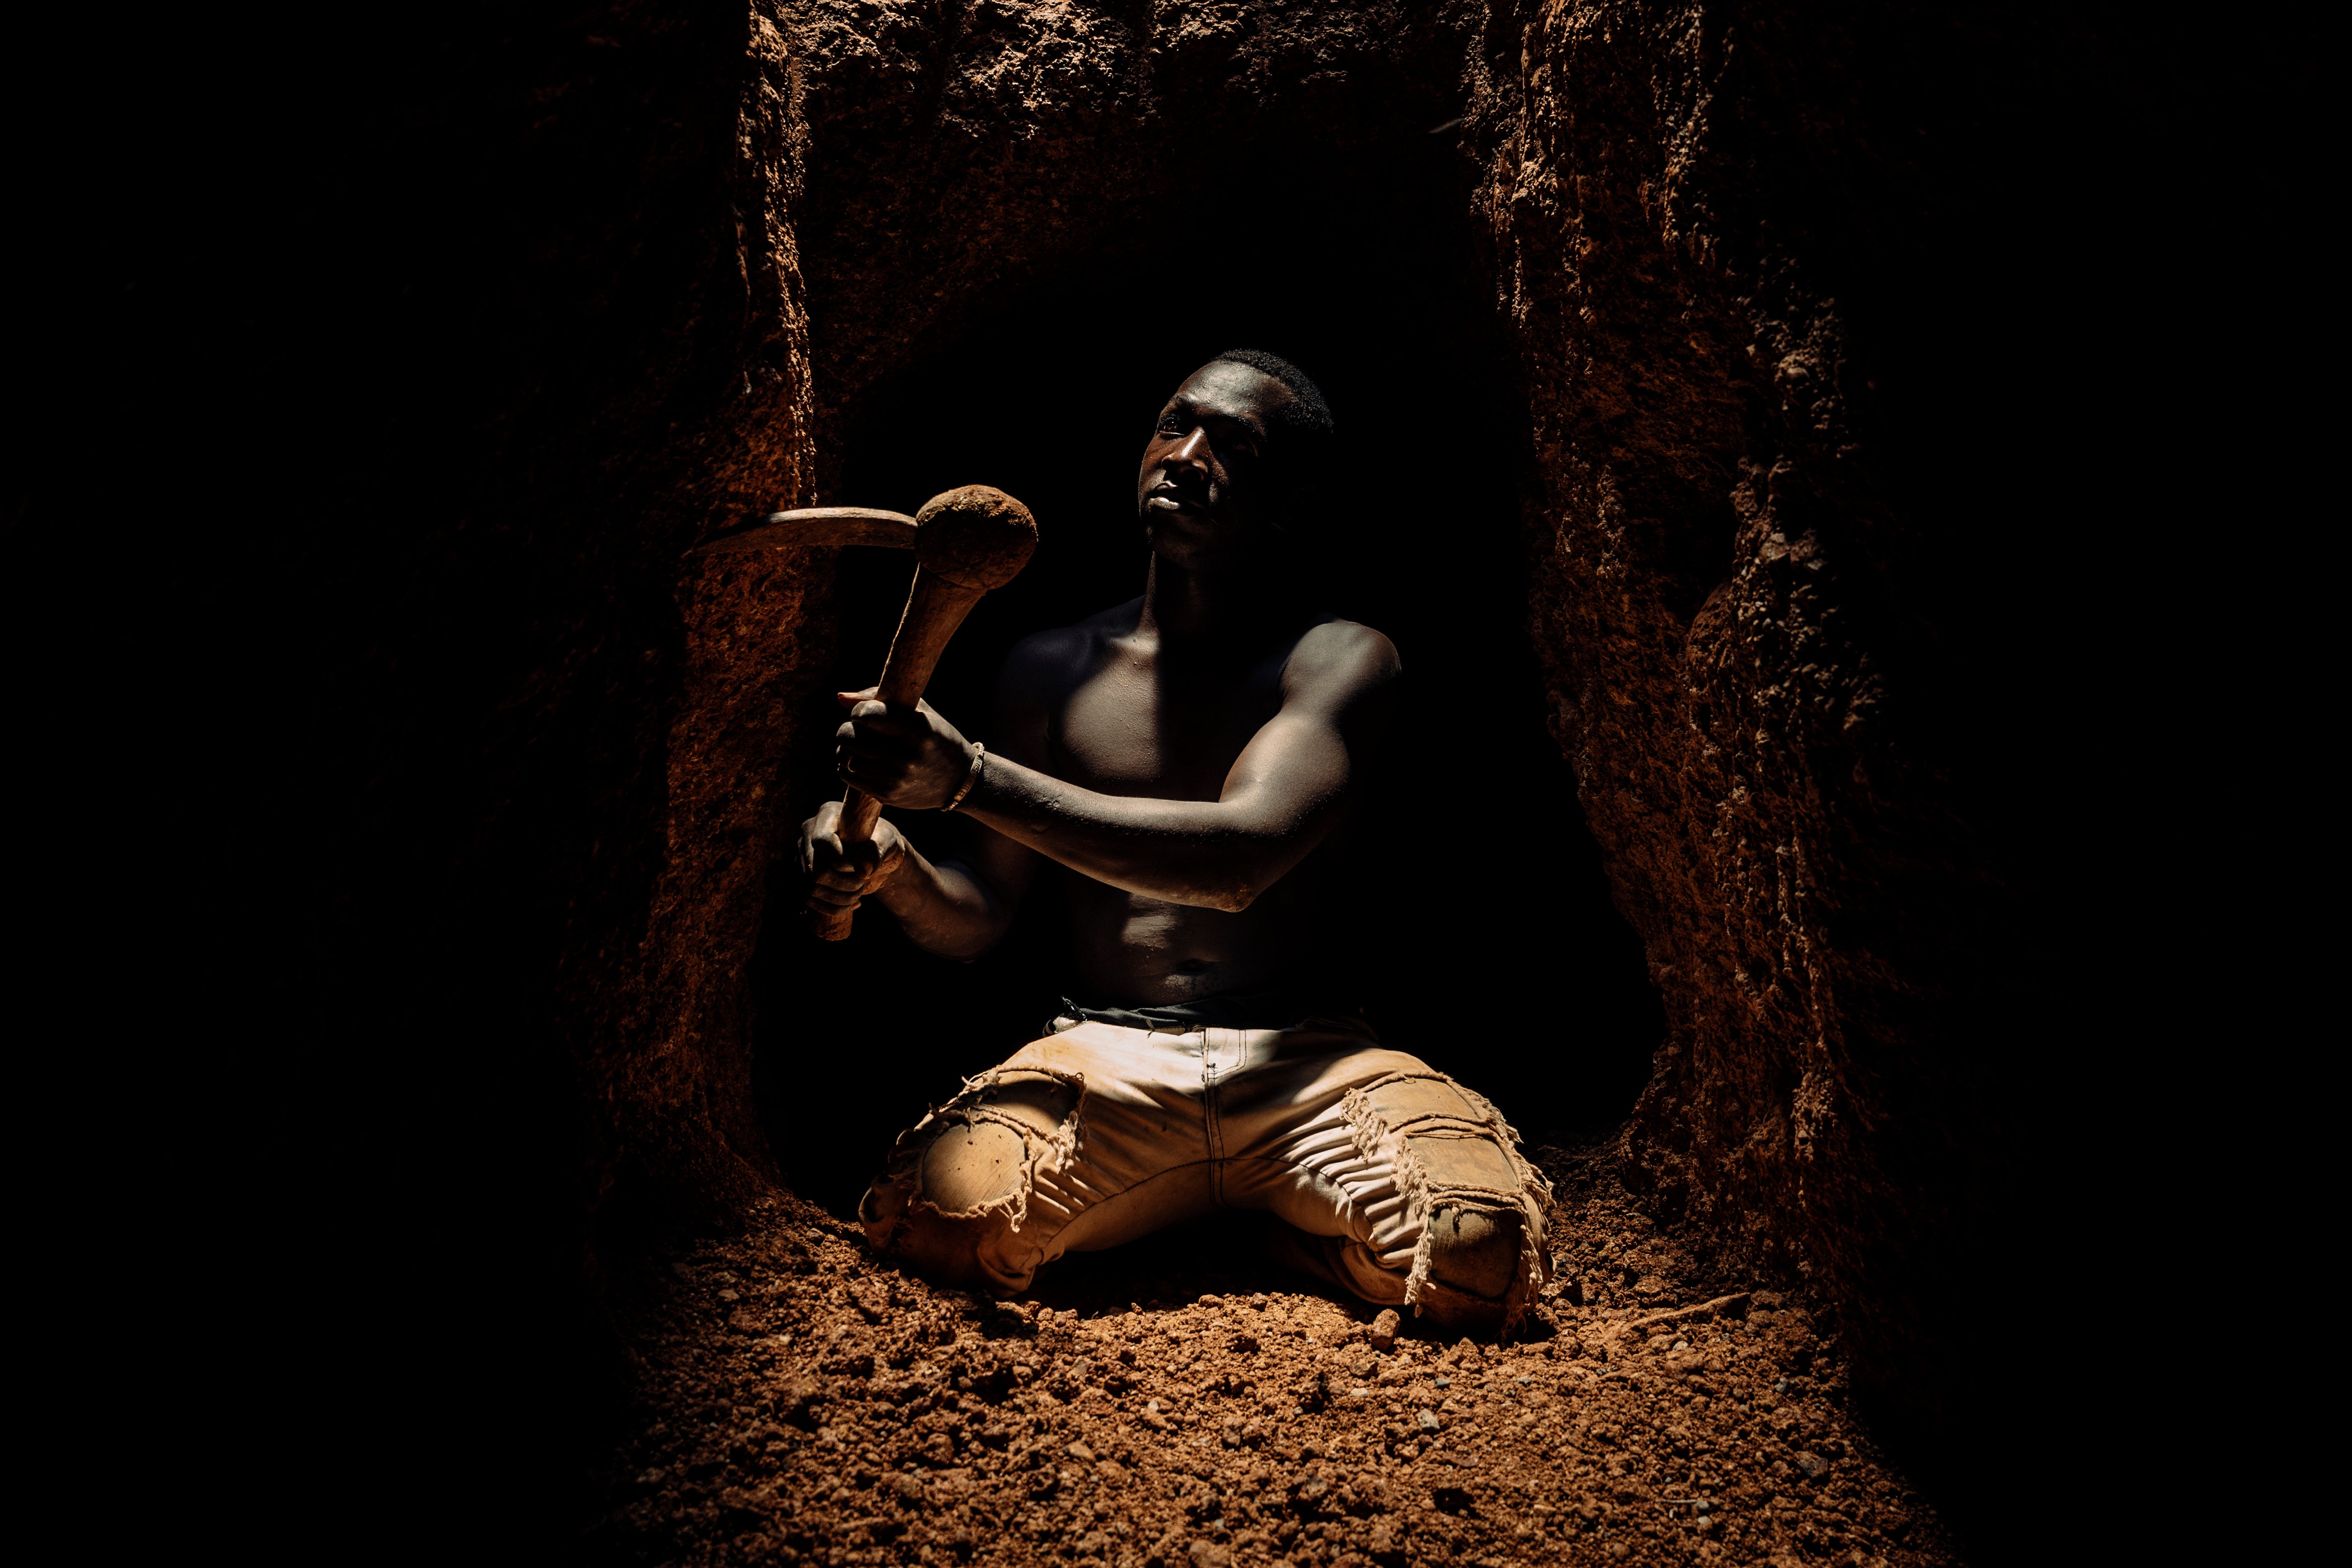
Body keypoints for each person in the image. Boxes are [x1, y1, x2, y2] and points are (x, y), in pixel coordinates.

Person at [799, 350, 1549, 1334]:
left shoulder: (1340, 658)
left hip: (1307, 1061)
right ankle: (1210, 1202)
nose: (1185, 455)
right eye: (1172, 424)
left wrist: (971, 779)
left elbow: (1237, 863)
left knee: (1476, 1256)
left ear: (1289, 500)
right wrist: (893, 866)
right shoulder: (1047, 669)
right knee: (940, 1226)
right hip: (1103, 1054)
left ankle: (1261, 1227)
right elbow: (976, 920)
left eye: (1232, 445)